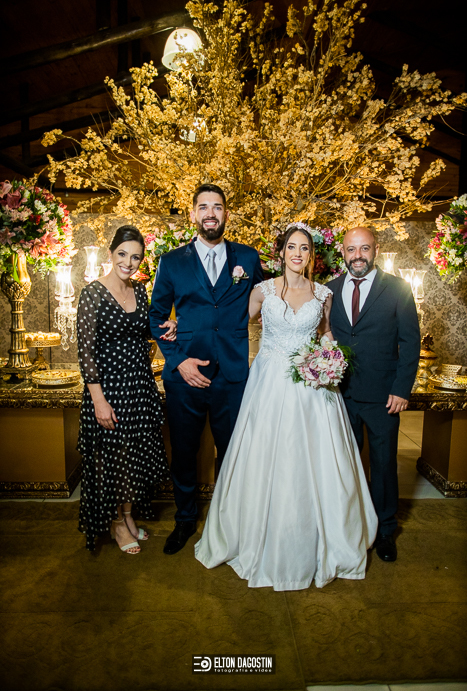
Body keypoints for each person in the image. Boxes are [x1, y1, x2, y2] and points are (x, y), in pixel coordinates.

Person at [194, 224, 378, 590]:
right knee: (265, 455)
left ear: (312, 255)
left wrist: (330, 359)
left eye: (304, 248)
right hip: (268, 383)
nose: (297, 253)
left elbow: (325, 333)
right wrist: (184, 328)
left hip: (313, 388)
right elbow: (228, 324)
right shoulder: (262, 291)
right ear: (281, 253)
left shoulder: (323, 294)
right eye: (291, 247)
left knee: (316, 459)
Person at [149, 184, 264, 555]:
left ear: (226, 214)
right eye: (203, 207)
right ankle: (185, 520)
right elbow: (156, 317)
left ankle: (228, 521)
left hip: (232, 375)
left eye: (217, 207)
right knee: (184, 453)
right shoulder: (171, 261)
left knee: (233, 453)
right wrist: (178, 360)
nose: (210, 213)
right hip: (186, 378)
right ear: (193, 214)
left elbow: (269, 302)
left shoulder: (248, 258)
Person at [77, 225, 174, 553]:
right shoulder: (93, 293)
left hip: (139, 387)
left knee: (133, 457)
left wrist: (168, 325)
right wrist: (98, 400)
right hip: (109, 391)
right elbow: (86, 352)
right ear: (111, 253)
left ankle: (129, 516)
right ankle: (116, 523)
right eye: (122, 254)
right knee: (114, 459)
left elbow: (145, 330)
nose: (128, 263)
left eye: (135, 257)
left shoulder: (141, 291)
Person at [326, 227, 420, 563]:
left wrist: (401, 389)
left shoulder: (398, 289)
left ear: (376, 250)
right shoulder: (330, 290)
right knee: (343, 465)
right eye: (351, 249)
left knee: (383, 466)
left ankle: (385, 531)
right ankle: (347, 527)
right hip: (340, 394)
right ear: (343, 252)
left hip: (383, 397)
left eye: (364, 248)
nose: (358, 256)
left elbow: (410, 342)